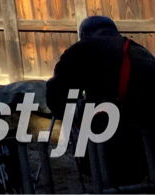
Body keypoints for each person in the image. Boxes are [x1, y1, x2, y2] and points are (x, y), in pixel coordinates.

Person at [47, 15, 155, 185]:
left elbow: (56, 94)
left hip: (118, 135)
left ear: (83, 34)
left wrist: (71, 114)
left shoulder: (82, 50)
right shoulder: (139, 50)